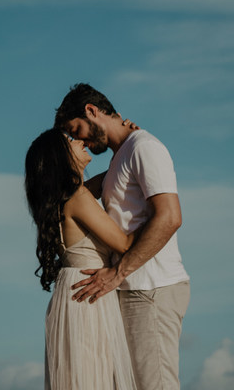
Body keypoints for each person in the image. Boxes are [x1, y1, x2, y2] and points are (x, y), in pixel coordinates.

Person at [55, 83, 189, 390]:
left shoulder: (144, 147)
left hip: (152, 288)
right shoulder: (122, 156)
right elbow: (74, 198)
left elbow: (170, 217)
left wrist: (118, 272)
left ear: (91, 111)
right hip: (131, 288)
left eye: (77, 130)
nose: (80, 140)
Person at [25, 127, 138, 388]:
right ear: (59, 157)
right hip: (88, 294)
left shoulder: (63, 197)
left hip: (73, 291)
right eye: (69, 141)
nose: (79, 141)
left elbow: (110, 177)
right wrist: (160, 215)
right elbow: (124, 243)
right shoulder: (78, 197)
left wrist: (125, 148)